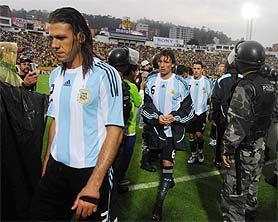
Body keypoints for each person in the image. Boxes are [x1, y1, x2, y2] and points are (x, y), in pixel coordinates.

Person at [30, 7, 124, 221]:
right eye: (51, 38)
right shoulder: (56, 75)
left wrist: (94, 184)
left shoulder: (104, 74)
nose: (54, 45)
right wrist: (47, 164)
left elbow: (115, 131)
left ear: (80, 37)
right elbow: (55, 122)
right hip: (56, 170)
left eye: (61, 38)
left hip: (89, 171)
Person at [221, 41, 275, 221]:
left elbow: (237, 123)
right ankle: (250, 215)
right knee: (252, 187)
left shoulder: (245, 86)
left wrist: (226, 149)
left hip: (242, 150)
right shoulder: (268, 84)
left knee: (235, 196)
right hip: (259, 145)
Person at [142, 49, 195, 221]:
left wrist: (175, 117)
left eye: (166, 62)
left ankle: (158, 207)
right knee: (153, 158)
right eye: (160, 61)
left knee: (166, 161)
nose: (162, 65)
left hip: (172, 132)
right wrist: (157, 117)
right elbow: (146, 107)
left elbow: (189, 109)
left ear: (173, 64)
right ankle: (168, 177)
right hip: (155, 130)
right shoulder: (150, 80)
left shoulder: (180, 83)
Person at [108, 47, 143, 192]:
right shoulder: (130, 87)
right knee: (122, 159)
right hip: (126, 131)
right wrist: (141, 88)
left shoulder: (111, 82)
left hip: (110, 131)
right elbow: (139, 102)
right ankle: (118, 181)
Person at [211, 51, 243, 168]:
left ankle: (218, 160)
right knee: (237, 141)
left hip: (223, 118)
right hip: (239, 119)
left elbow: (215, 100)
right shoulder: (244, 79)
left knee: (220, 139)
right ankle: (234, 160)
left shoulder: (221, 80)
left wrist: (214, 117)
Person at [186, 61, 212, 164]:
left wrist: (210, 111)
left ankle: (200, 152)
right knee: (191, 135)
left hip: (201, 113)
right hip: (190, 113)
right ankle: (193, 155)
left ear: (202, 70)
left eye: (198, 69)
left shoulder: (206, 81)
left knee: (199, 135)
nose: (196, 71)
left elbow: (210, 97)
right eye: (194, 68)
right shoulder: (188, 81)